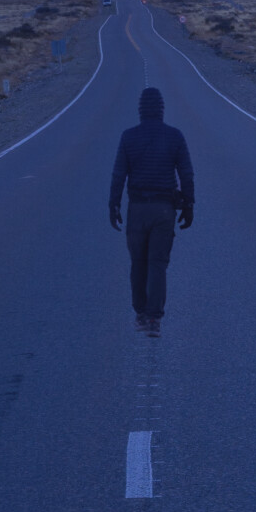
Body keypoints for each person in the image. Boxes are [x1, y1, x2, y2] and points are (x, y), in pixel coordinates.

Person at [108, 86, 194, 331]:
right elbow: (187, 174)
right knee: (157, 262)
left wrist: (113, 204)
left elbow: (118, 175)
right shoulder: (175, 136)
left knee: (138, 262)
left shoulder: (128, 137)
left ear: (140, 111)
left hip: (137, 209)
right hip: (164, 210)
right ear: (162, 110)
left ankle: (140, 313)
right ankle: (154, 317)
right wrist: (189, 205)